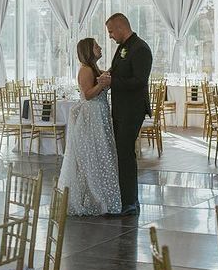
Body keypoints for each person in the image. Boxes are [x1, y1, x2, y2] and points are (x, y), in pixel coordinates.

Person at [56, 37, 121, 216]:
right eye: (96, 46)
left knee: (100, 153)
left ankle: (100, 195)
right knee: (93, 155)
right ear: (88, 50)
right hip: (91, 116)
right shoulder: (85, 70)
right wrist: (101, 84)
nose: (100, 48)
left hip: (99, 115)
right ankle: (95, 197)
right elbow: (87, 94)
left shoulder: (94, 68)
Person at [105, 12, 153, 216]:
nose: (110, 36)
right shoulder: (123, 48)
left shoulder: (140, 49)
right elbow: (118, 71)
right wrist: (107, 75)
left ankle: (129, 203)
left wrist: (112, 82)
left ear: (121, 27)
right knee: (122, 153)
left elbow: (139, 81)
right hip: (121, 109)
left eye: (111, 31)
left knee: (125, 154)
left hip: (133, 109)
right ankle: (128, 198)